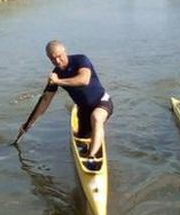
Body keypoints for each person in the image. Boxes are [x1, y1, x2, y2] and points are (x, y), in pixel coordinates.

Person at [18, 40, 113, 168]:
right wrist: (29, 123)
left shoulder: (80, 60)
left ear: (65, 52)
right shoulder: (55, 75)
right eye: (53, 59)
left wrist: (58, 81)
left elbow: (84, 80)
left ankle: (91, 158)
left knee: (96, 118)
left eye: (59, 56)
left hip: (102, 101)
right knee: (83, 139)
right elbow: (45, 101)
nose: (57, 61)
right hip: (83, 110)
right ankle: (92, 139)